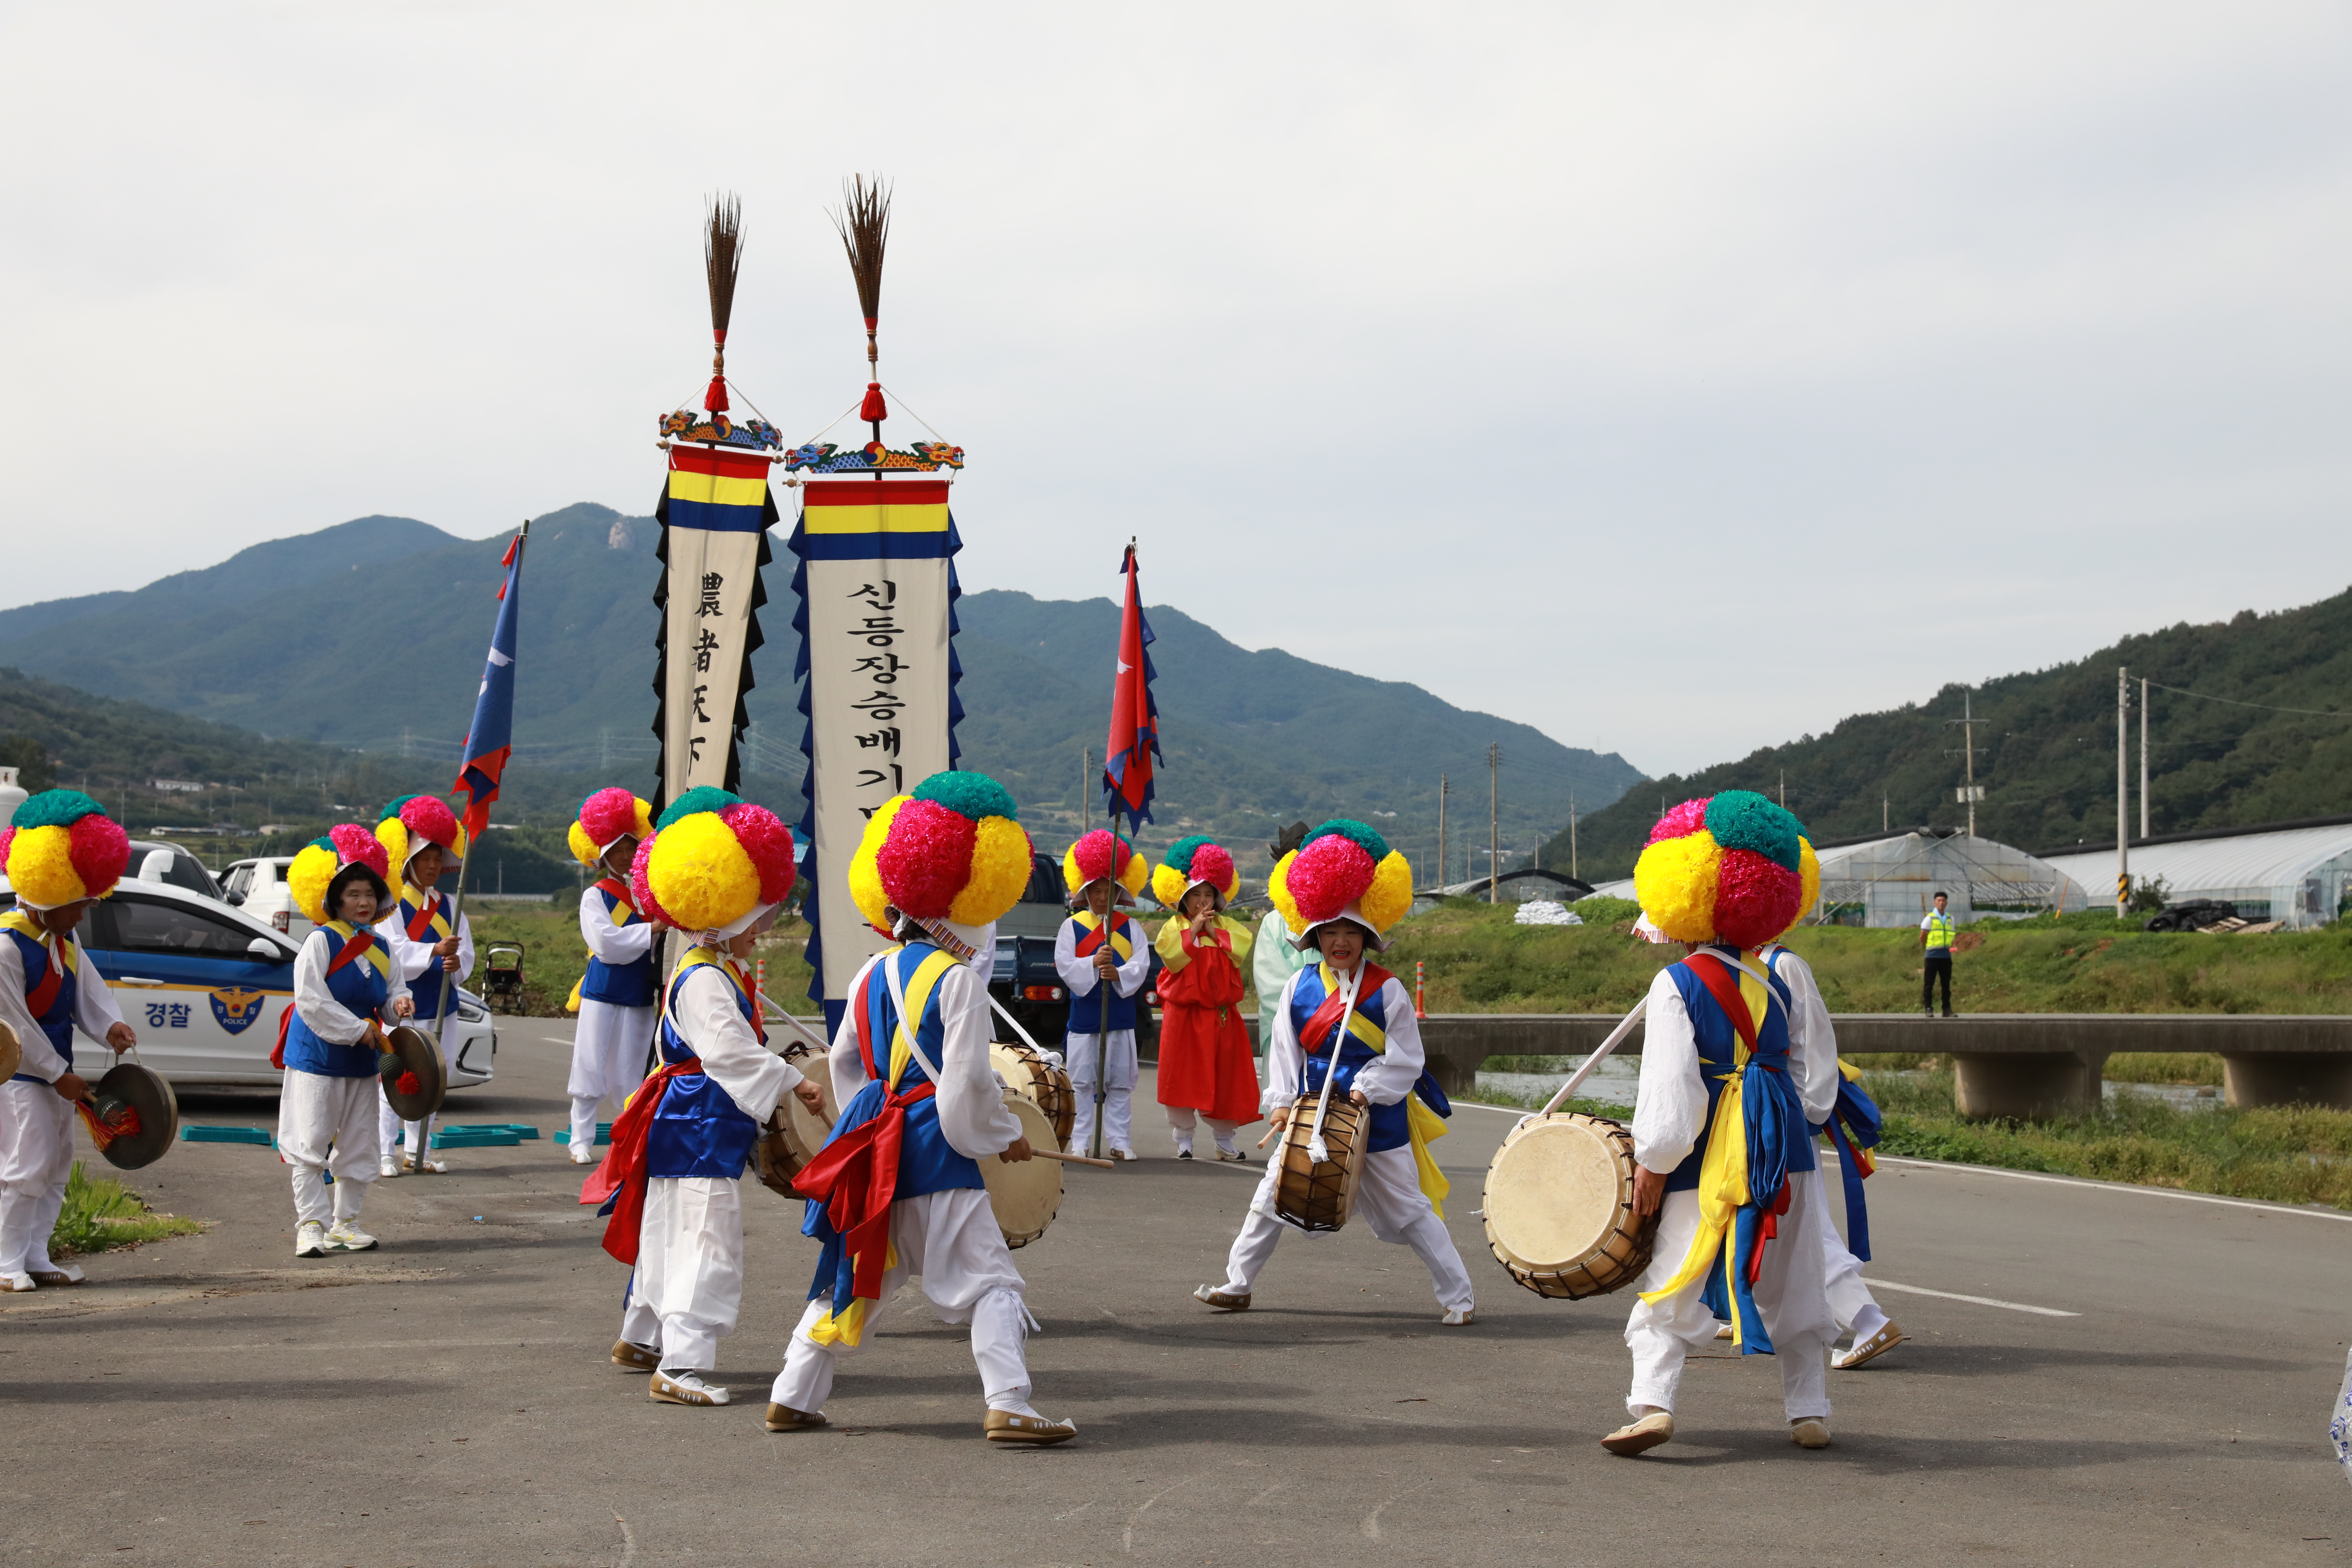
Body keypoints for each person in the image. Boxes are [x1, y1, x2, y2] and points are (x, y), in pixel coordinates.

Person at [772, 771, 1077, 1445]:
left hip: (878, 1147)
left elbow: (847, 1065)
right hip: (940, 1154)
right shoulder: (959, 981)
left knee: (859, 1269)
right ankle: (1011, 1403)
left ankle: (793, 1393)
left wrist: (874, 1120)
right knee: (994, 1280)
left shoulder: (868, 973)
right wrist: (1003, 1138)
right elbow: (966, 1091)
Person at [1603, 791, 1841, 1457]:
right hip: (1782, 1148)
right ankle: (1809, 1411)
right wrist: (1789, 1126)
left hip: (1706, 1158)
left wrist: (1652, 1162)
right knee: (1797, 1277)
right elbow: (1808, 1079)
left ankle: (1652, 1405)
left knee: (1674, 1276)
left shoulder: (1679, 982)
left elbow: (1671, 1091)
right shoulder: (1781, 978)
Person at [580, 788, 819, 1408]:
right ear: (731, 912)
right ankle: (682, 1366)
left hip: (685, 1118)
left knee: (669, 1233)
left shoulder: (706, 967)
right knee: (706, 1240)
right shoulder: (709, 977)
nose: (763, 931)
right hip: (699, 1120)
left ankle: (642, 1338)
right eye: (760, 918)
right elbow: (730, 1056)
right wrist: (797, 1082)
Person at [1195, 819, 1475, 1325]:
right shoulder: (1299, 989)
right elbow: (1283, 1051)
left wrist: (1368, 1090)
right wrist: (1280, 1101)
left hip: (1379, 1121)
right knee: (1269, 1198)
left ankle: (1459, 1297)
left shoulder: (1388, 990)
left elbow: (1408, 1060)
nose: (1340, 942)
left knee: (1410, 1210)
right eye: (1331, 932)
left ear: (1365, 938)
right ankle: (1238, 1283)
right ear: (1316, 937)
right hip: (1311, 1117)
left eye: (1351, 933)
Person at [0, 791, 136, 1292]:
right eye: (77, 905)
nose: (82, 915)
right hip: (20, 1078)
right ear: (49, 898)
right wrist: (58, 1075)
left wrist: (110, 1026)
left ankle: (37, 1254)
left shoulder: (62, 938)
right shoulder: (6, 948)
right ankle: (5, 1260)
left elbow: (88, 990)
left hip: (56, 1076)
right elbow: (14, 1027)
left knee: (56, 1167)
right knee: (25, 1167)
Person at [1750, 934, 1904, 1372]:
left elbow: (1817, 1046)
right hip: (1766, 1112)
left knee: (1802, 1222)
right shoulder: (1746, 964)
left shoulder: (1784, 966)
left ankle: (1866, 1317)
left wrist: (1806, 1112)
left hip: (1785, 1113)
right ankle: (1746, 1310)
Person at [277, 827, 413, 1259]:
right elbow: (311, 1001)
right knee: (311, 1141)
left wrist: (401, 1005)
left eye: (370, 894)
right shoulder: (320, 940)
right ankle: (311, 1225)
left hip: (362, 1060)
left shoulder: (382, 946)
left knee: (359, 1142)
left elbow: (392, 997)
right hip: (318, 1056)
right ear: (336, 900)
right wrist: (360, 1030)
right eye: (354, 894)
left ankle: (346, 1223)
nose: (364, 902)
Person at [372, 794, 475, 1176]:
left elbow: (467, 954)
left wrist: (456, 962)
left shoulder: (451, 904)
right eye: (424, 859)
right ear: (409, 861)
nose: (432, 866)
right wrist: (434, 949)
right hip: (403, 1007)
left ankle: (420, 1150)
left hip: (442, 1006)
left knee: (431, 1084)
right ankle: (384, 1151)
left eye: (437, 859)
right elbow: (392, 950)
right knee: (394, 1078)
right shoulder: (392, 904)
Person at [1149, 836, 1258, 1161]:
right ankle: (1184, 1138)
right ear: (1184, 899)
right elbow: (1170, 957)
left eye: (1208, 894)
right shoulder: (1175, 926)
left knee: (1226, 1077)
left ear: (1218, 898)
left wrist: (1212, 933)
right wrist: (1194, 932)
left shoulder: (1227, 926)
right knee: (1181, 1077)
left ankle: (1224, 1140)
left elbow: (1240, 950)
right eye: (1195, 895)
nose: (1202, 901)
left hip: (1223, 1015)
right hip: (1184, 1015)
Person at [566, 789, 659, 1166]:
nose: (625, 855)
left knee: (633, 1069)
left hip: (639, 990)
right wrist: (650, 931)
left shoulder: (649, 893)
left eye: (630, 847)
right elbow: (606, 944)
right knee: (590, 1063)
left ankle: (629, 1137)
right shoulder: (595, 896)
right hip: (603, 990)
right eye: (617, 849)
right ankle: (580, 1139)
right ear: (602, 855)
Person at [1054, 828, 1150, 1161]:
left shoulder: (1131, 927)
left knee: (1120, 1084)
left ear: (1117, 893)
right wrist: (1093, 965)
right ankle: (1081, 1142)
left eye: (1107, 891)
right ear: (1086, 892)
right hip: (1085, 1016)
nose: (1100, 897)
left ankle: (1120, 1141)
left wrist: (1118, 975)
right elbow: (1065, 967)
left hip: (1120, 1016)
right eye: (1095, 891)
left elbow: (1141, 965)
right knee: (1083, 1083)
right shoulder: (1072, 926)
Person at [1251, 821, 1310, 1056]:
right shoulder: (1274, 922)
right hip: (1284, 1029)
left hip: (1331, 1027)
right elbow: (1271, 985)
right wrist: (1311, 1013)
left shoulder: (1334, 918)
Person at [1920, 890, 1956, 1017]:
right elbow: (1923, 937)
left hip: (1946, 956)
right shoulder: (1929, 919)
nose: (1941, 903)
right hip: (1932, 956)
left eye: (1944, 901)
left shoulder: (1950, 919)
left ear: (1946, 903)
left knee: (1946, 984)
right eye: (1939, 901)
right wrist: (1928, 948)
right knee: (1929, 984)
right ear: (1935, 903)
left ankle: (1947, 1009)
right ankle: (1929, 1008)